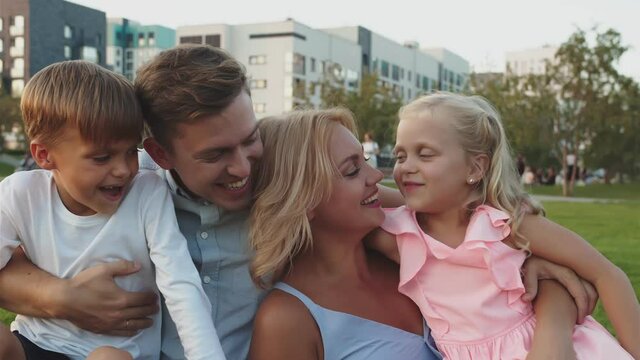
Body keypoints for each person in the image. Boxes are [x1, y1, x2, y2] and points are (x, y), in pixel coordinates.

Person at [0, 46, 598, 360]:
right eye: (215, 156)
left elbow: (398, 205)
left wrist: (510, 252)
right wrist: (55, 294)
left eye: (250, 139)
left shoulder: (284, 190)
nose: (242, 167)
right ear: (161, 151)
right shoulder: (127, 189)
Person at [248, 108, 598, 360]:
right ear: (303, 199)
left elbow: (530, 289)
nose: (376, 175)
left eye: (366, 160)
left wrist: (550, 314)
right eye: (353, 170)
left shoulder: (408, 253)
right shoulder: (286, 320)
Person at [369, 92, 639, 359]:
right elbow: (349, 190)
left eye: (425, 154)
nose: (406, 167)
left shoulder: (506, 224)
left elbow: (607, 275)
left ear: (475, 168)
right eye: (400, 156)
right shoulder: (401, 235)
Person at [0, 61, 224, 359]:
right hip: (37, 342)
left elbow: (181, 284)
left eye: (131, 151)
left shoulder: (147, 194)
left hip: (119, 352)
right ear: (44, 155)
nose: (123, 169)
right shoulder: (20, 193)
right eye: (102, 157)